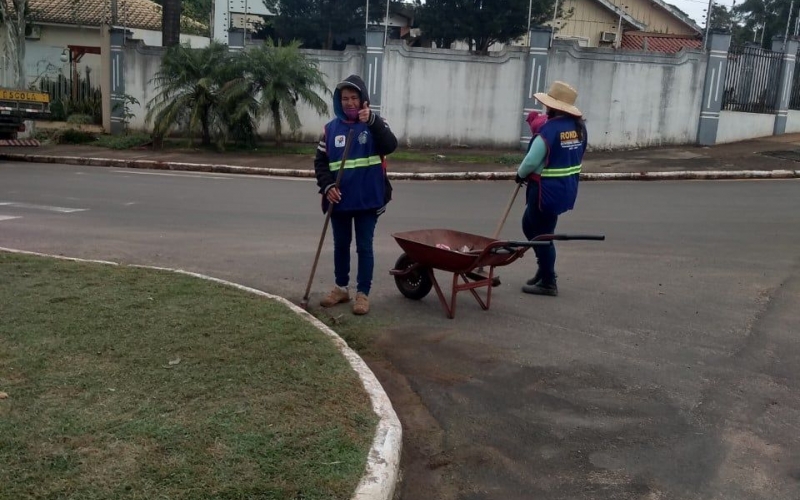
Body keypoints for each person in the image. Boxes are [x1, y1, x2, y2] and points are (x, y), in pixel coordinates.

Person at [314, 74, 398, 315]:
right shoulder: (330, 130)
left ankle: (362, 293)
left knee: (364, 246)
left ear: (363, 99)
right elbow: (320, 163)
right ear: (338, 101)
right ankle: (341, 288)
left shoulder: (375, 124)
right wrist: (328, 187)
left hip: (367, 200)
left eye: (354, 98)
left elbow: (390, 145)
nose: (349, 103)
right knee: (341, 245)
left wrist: (372, 121)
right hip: (339, 201)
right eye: (344, 99)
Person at [515, 81, 587, 296]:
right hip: (565, 188)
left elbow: (531, 161)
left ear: (552, 107)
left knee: (542, 234)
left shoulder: (549, 130)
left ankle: (548, 281)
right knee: (531, 227)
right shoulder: (578, 128)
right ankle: (544, 270)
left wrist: (519, 174)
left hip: (544, 191)